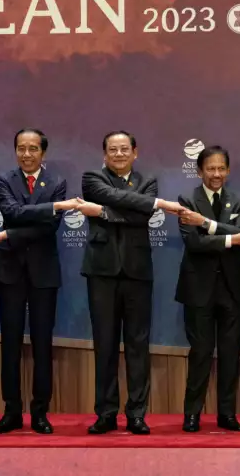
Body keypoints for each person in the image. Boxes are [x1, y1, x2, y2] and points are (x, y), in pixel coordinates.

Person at [77, 131, 184, 435]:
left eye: (125, 149)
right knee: (105, 345)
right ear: (105, 154)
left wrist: (101, 213)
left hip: (137, 272)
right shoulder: (90, 178)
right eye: (113, 149)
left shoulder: (147, 180)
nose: (119, 154)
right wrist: (146, 204)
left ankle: (137, 414)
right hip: (101, 272)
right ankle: (106, 413)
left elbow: (141, 217)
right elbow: (123, 202)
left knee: (138, 345)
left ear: (135, 152)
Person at [0, 129, 81, 435]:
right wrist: (52, 207)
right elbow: (11, 212)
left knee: (42, 344)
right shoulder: (4, 180)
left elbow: (48, 228)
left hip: (43, 273)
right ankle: (11, 411)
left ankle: (40, 412)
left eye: (33, 149)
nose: (27, 154)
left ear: (43, 153)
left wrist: (40, 217)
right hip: (9, 271)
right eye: (21, 148)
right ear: (15, 151)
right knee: (10, 343)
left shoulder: (56, 182)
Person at [175, 146, 240, 433]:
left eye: (221, 169)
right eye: (210, 169)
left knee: (231, 354)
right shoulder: (187, 199)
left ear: (228, 171)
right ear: (199, 171)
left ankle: (227, 414)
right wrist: (230, 237)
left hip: (233, 287)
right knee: (201, 353)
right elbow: (194, 243)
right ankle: (192, 414)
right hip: (198, 288)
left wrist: (206, 224)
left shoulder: (239, 198)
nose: (216, 174)